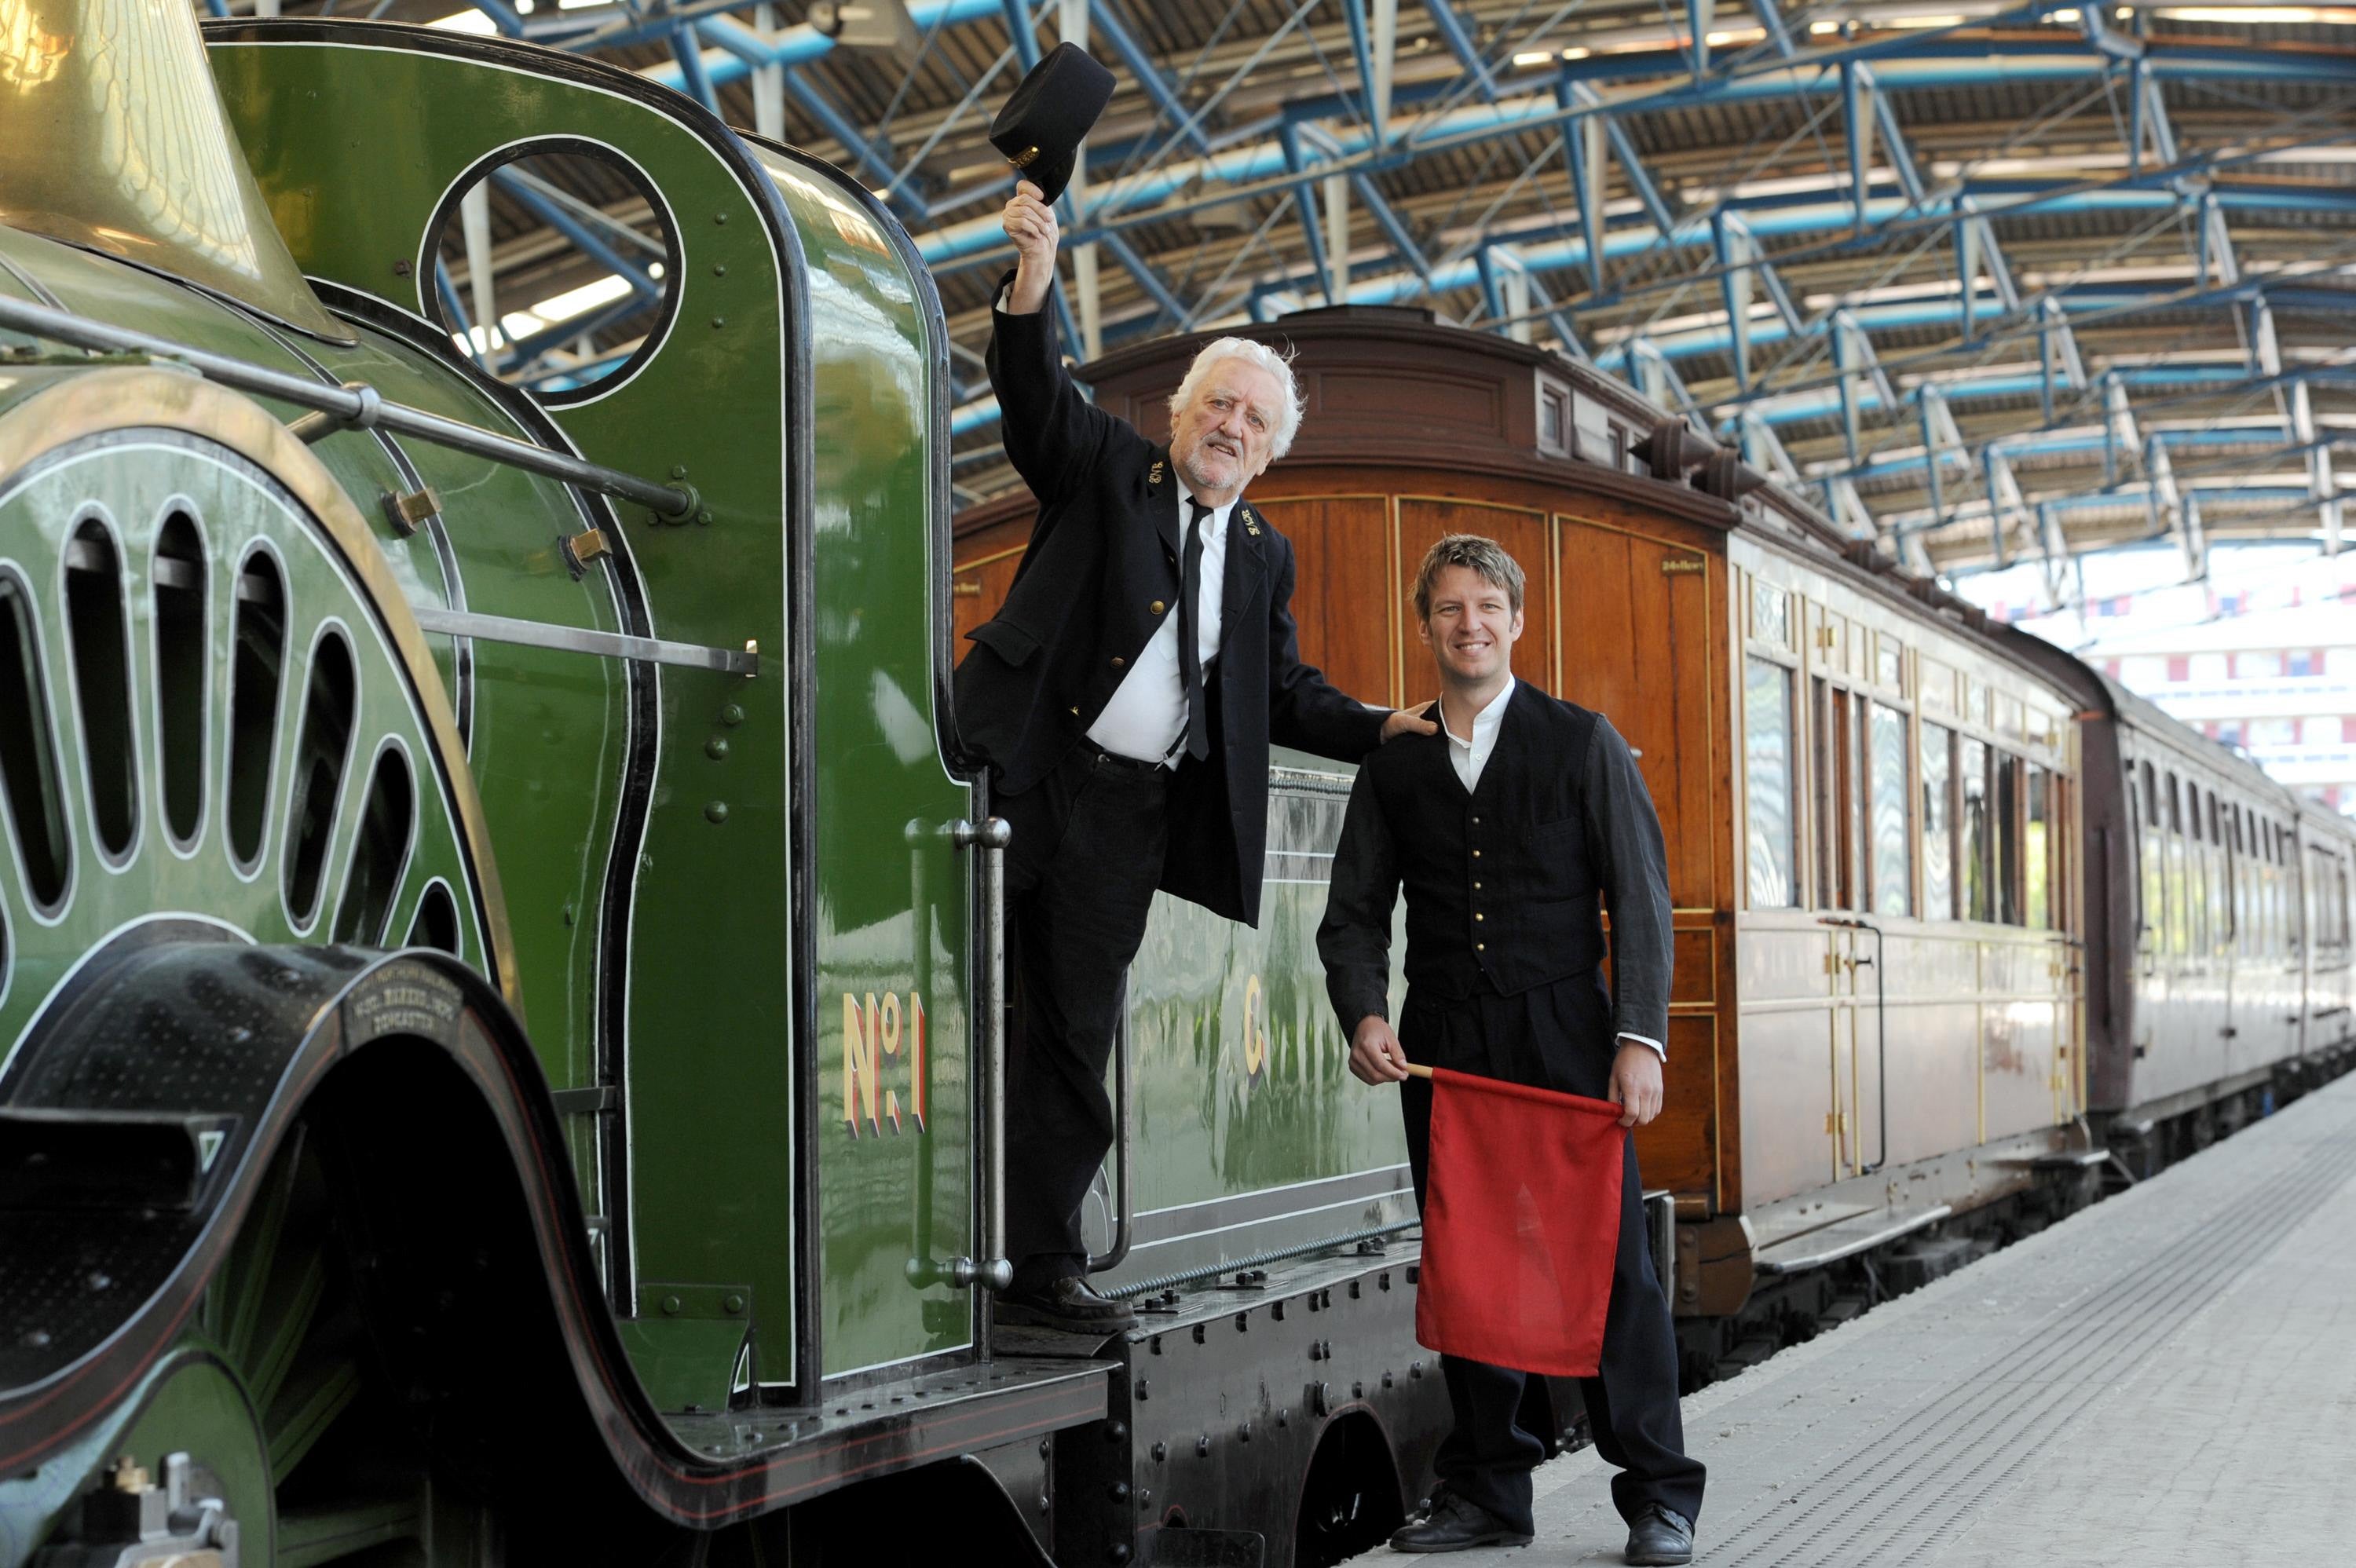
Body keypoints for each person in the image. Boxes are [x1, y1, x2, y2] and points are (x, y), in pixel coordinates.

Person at [957, 179, 1435, 1337]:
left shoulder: (1263, 554)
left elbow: (1278, 692)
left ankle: (1041, 1266)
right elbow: (1035, 401)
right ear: (1180, 415)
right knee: (954, 991)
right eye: (1218, 405)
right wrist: (1032, 280)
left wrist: (1383, 727)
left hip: (1128, 815)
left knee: (1075, 1030)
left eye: (1253, 421)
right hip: (1017, 774)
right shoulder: (1108, 472)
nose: (1231, 427)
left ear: (1270, 456)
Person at [1315, 535, 1705, 1566]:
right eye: (1449, 608)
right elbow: (1352, 914)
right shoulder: (1394, 761)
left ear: (1517, 620)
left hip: (1571, 1036)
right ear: (1427, 624)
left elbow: (1643, 900)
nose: (1470, 624)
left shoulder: (1582, 741)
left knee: (1614, 1268)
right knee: (1471, 1263)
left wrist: (1640, 1040)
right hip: (1446, 1041)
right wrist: (1363, 1013)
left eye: (1487, 605)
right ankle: (1490, 1489)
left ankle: (1659, 1494)